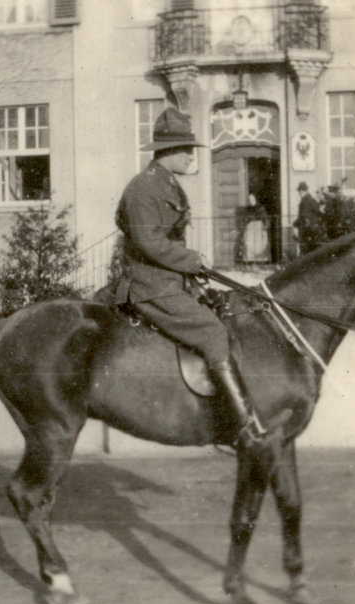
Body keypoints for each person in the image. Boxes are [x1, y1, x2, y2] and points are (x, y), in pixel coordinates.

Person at [114, 108, 267, 450]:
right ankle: (242, 427)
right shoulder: (143, 188)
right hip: (149, 286)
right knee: (212, 332)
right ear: (167, 152)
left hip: (168, 280)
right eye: (187, 149)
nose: (191, 155)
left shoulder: (165, 183)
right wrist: (192, 260)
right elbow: (147, 241)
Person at [293, 181, 325, 255]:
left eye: (299, 191)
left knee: (305, 250)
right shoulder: (312, 200)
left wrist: (295, 224)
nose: (299, 193)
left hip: (306, 229)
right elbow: (319, 212)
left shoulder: (305, 201)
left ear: (301, 191)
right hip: (312, 228)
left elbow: (303, 216)